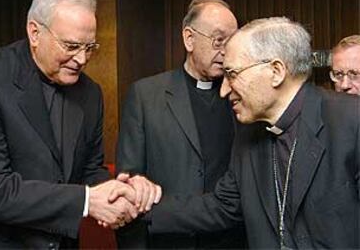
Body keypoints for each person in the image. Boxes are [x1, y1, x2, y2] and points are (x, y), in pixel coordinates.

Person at [0, 0, 160, 249]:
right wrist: (86, 201)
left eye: (90, 47)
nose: (82, 59)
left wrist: (121, 190)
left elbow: (87, 171)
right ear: (35, 33)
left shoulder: (90, 92)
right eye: (71, 46)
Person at [144, 17, 359, 249]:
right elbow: (223, 206)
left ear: (276, 71)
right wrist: (138, 209)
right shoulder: (248, 133)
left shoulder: (351, 121)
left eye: (232, 74)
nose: (224, 90)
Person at [116, 0, 247, 249]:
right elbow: (130, 179)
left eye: (232, 42)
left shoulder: (243, 97)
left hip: (231, 240)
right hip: (169, 239)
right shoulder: (146, 95)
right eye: (219, 40)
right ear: (189, 38)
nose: (225, 51)